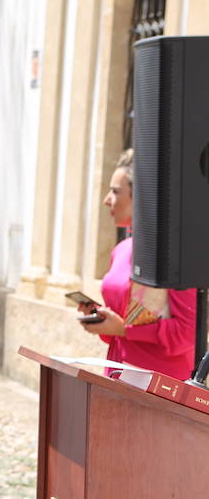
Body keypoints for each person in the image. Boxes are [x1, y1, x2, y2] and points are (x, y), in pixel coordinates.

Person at [77, 149, 196, 378]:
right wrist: (102, 320)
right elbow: (119, 329)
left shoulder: (172, 252)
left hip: (159, 387)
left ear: (141, 195)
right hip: (118, 377)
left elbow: (188, 333)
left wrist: (124, 329)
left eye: (114, 191)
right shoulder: (121, 250)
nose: (106, 200)